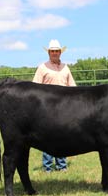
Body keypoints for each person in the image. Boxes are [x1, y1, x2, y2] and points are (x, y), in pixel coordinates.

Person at [33, 39, 77, 173]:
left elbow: (72, 86)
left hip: (64, 107)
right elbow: (35, 87)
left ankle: (61, 165)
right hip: (48, 107)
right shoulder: (42, 67)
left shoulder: (65, 67)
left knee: (63, 134)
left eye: (57, 51)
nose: (55, 53)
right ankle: (47, 166)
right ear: (49, 52)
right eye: (52, 51)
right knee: (47, 135)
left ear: (60, 52)